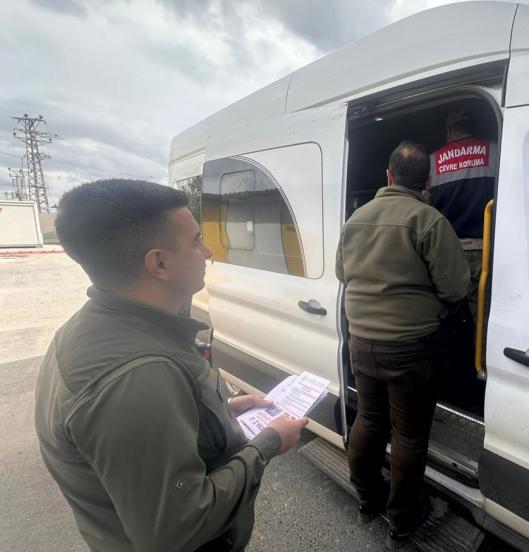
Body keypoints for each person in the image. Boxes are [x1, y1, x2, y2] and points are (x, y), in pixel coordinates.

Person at [34, 180, 308, 552]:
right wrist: (267, 444)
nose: (207, 251)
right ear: (159, 263)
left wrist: (215, 411)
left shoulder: (96, 329)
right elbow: (179, 528)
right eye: (196, 241)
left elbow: (148, 433)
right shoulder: (137, 378)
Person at [336, 141, 470, 549]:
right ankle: (403, 520)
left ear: (388, 176)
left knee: (369, 420)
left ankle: (367, 498)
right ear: (427, 180)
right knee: (408, 436)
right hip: (409, 348)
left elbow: (343, 273)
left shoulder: (355, 219)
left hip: (362, 342)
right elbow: (456, 288)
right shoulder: (428, 220)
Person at [428, 109, 497, 318]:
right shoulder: (495, 151)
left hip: (448, 250)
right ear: (473, 128)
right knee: (482, 314)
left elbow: (425, 206)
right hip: (486, 249)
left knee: (449, 311)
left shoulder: (433, 161)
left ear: (449, 132)